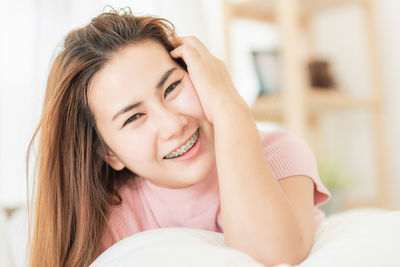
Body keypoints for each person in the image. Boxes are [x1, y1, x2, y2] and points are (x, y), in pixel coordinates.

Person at [27, 7, 331, 267]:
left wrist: (229, 107)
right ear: (109, 154)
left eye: (172, 88)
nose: (173, 125)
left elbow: (268, 259)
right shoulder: (114, 219)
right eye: (133, 117)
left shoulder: (279, 153)